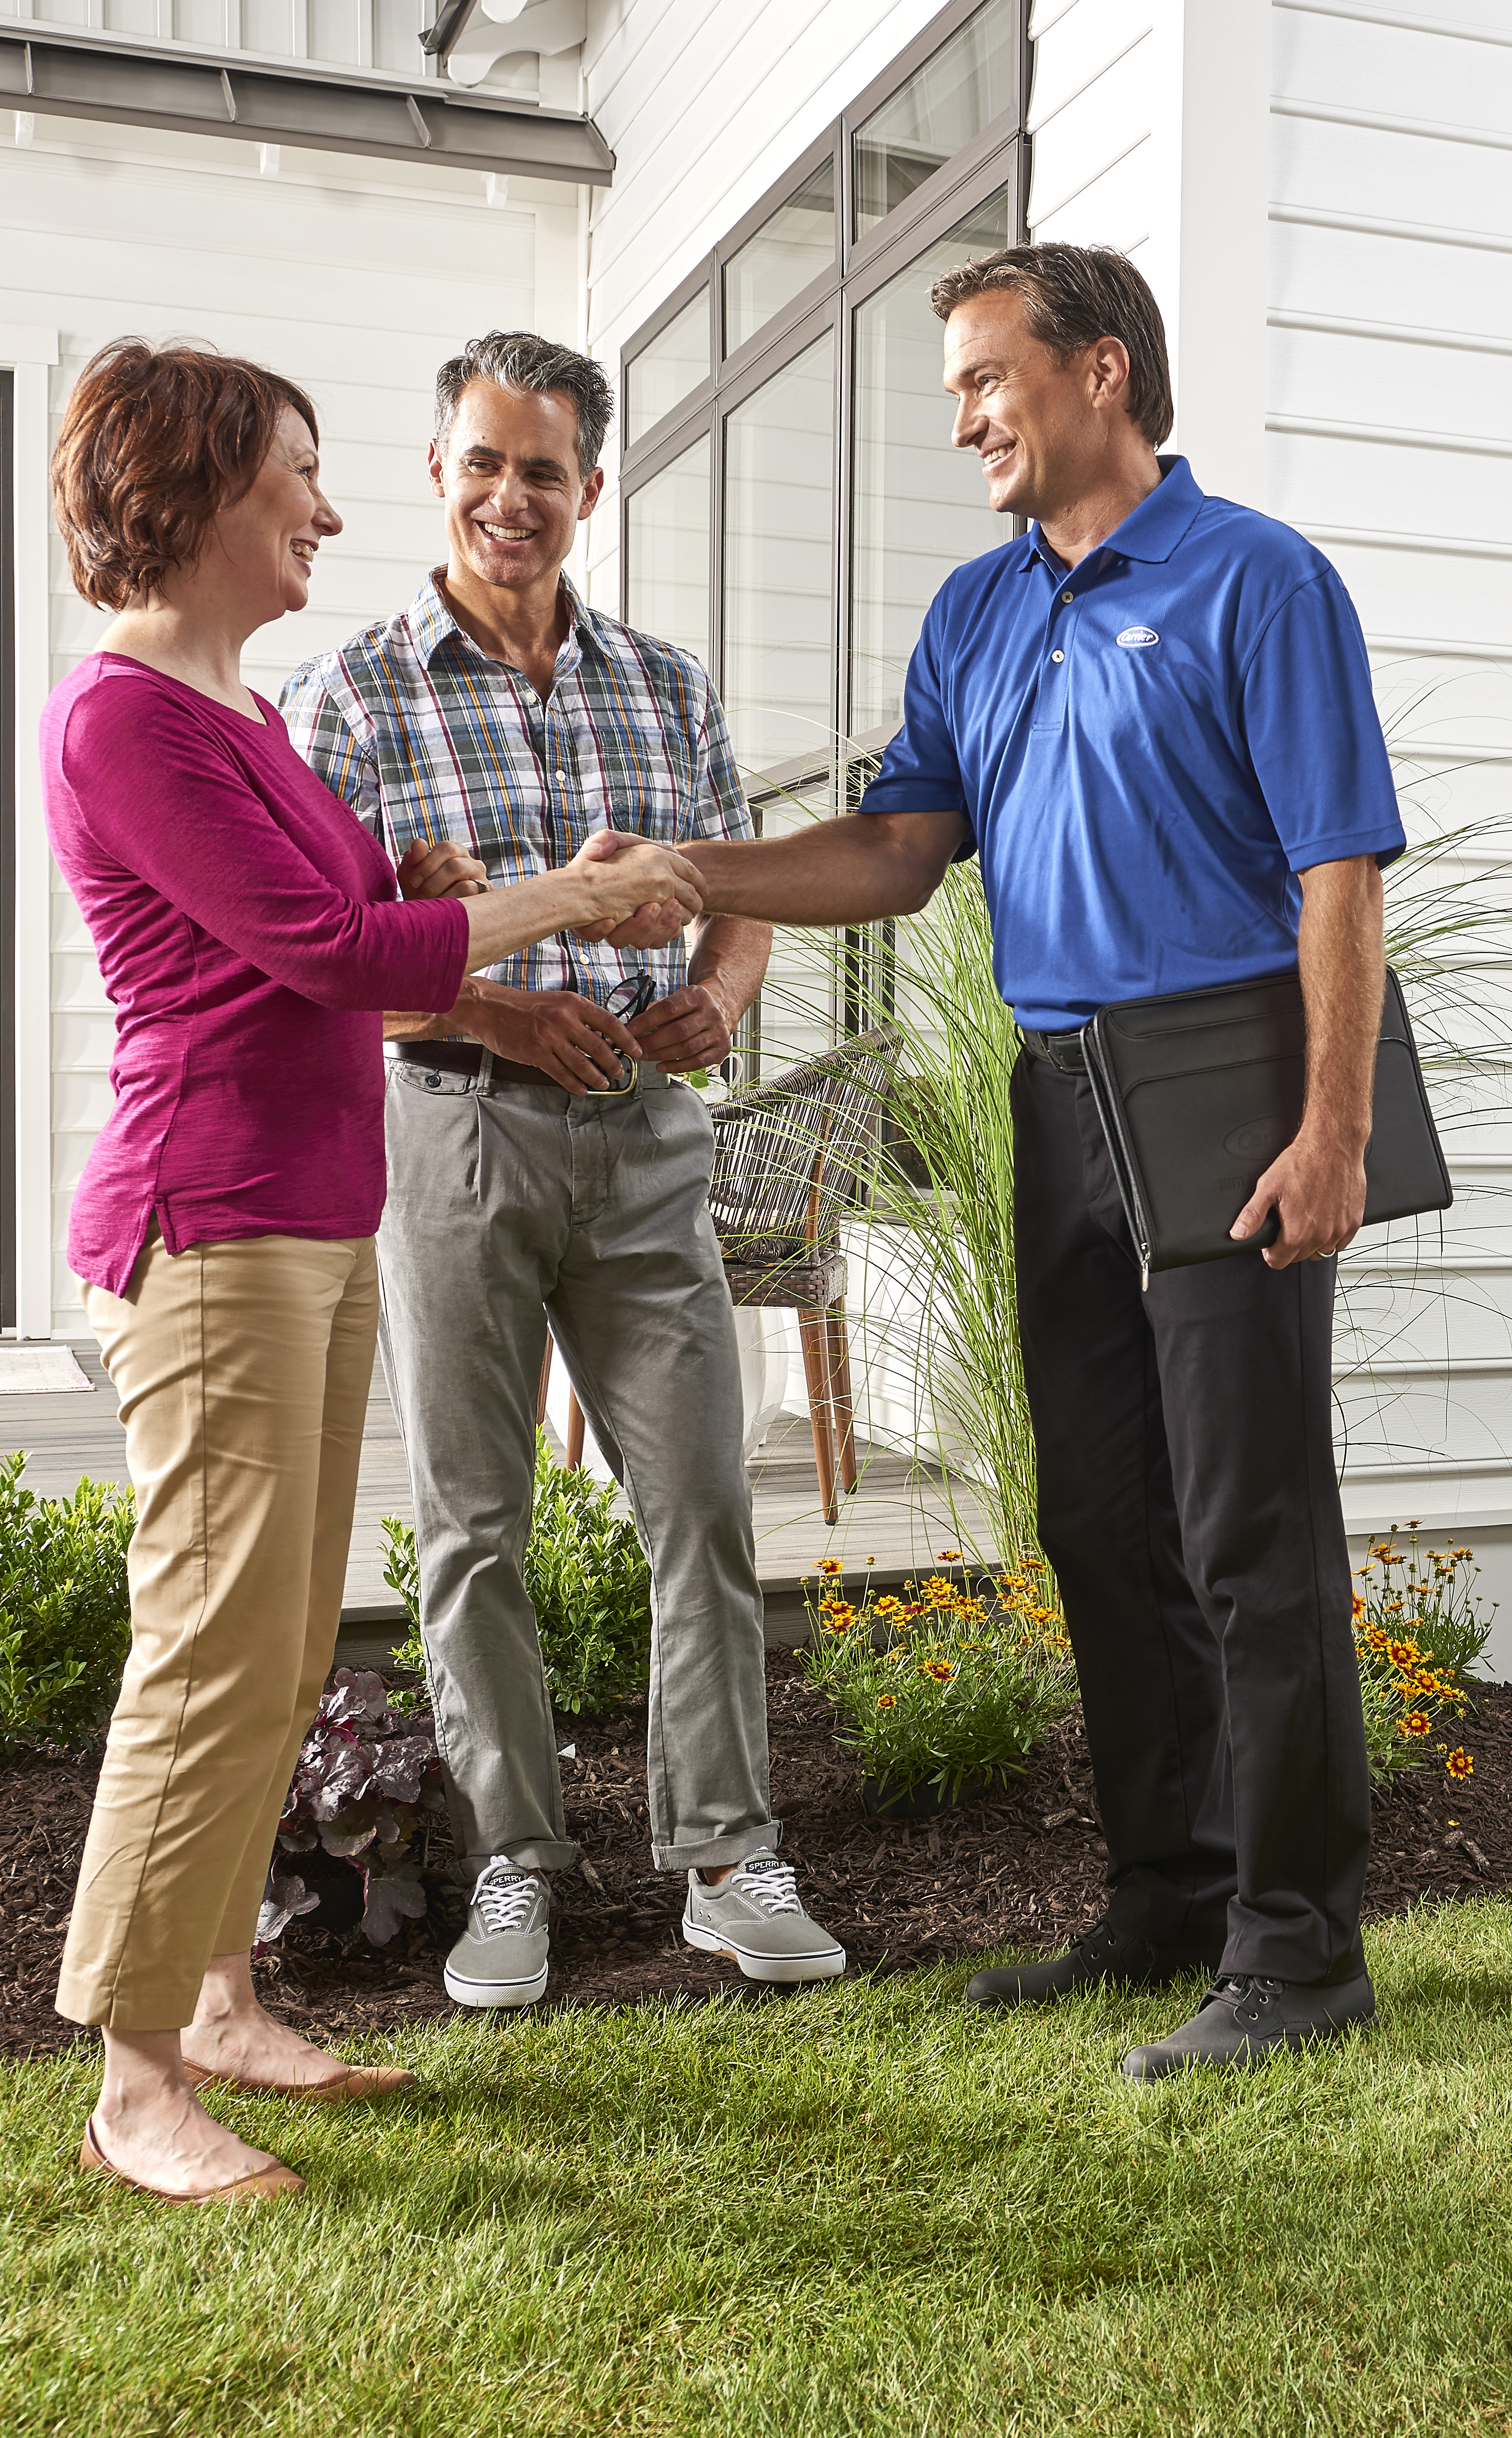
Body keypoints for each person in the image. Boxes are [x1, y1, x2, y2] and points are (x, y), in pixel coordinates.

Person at [595, 244, 1405, 2080]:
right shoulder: (974, 614)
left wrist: (1333, 1126)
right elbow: (897, 851)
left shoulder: (1259, 582)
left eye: (983, 375)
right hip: (1059, 1099)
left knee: (1248, 1526)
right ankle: (1171, 1890)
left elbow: (1339, 872)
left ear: (1100, 371)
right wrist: (695, 870)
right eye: (954, 381)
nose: (961, 411)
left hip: (1229, 1077)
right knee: (1098, 1513)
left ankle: (1302, 1944)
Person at [44, 339, 703, 2201]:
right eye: (296, 484)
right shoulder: (125, 721)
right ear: (193, 495)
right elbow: (338, 952)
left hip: (319, 1212)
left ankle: (226, 1997)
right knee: (204, 1649)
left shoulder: (242, 713)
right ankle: (131, 2076)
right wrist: (566, 900)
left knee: (279, 1646)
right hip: (213, 1220)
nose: (328, 514)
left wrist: (429, 874)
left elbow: (367, 917)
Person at [280, 332, 846, 2013]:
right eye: (482, 462)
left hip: (649, 1147)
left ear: (589, 491)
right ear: (438, 472)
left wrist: (720, 998)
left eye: (543, 470)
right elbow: (329, 950)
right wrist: (499, 1015)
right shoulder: (355, 694)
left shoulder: (666, 686)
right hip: (455, 1128)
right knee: (473, 1521)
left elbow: (742, 883)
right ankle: (514, 1857)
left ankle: (729, 1858)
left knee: (702, 1502)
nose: (509, 498)